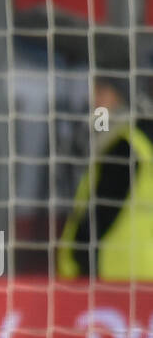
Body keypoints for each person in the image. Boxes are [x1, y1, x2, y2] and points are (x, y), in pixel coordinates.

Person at [58, 32, 153, 281]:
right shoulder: (132, 139)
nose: (95, 100)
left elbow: (98, 220)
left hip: (116, 279)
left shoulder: (125, 147)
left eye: (101, 90)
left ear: (121, 95)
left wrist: (77, 262)